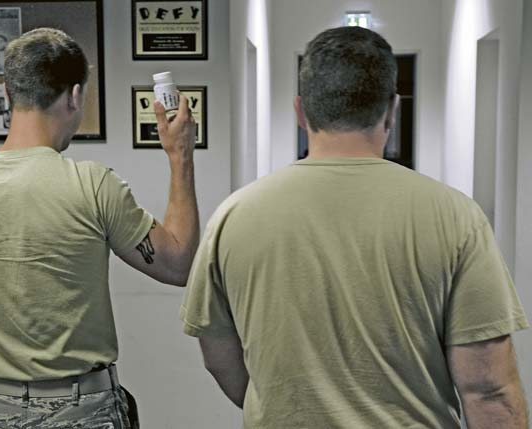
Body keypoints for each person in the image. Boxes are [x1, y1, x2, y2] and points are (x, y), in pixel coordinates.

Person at [180, 26, 529, 428]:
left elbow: (219, 356)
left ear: (300, 111)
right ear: (392, 111)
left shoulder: (233, 216)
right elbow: (488, 390)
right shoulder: (456, 216)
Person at [0, 28, 199, 428]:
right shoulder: (92, 185)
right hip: (84, 410)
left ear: (8, 94)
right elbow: (177, 264)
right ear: (74, 96)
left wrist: (11, 369)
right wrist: (180, 156)